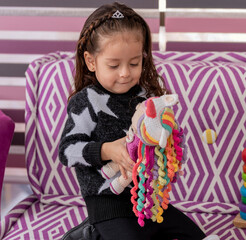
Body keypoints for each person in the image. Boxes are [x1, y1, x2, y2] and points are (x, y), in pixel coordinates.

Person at [59, 2, 219, 240]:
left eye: (134, 63)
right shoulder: (86, 102)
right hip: (107, 204)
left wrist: (169, 154)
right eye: (114, 65)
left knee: (196, 234)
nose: (125, 73)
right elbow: (67, 151)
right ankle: (90, 233)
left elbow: (157, 134)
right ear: (91, 62)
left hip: (148, 201)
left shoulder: (144, 97)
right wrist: (107, 150)